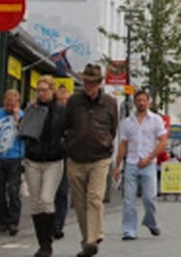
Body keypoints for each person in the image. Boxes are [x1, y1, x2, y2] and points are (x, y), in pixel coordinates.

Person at [64, 63, 119, 257]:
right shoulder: (73, 102)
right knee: (79, 203)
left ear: (100, 83)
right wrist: (70, 143)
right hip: (76, 157)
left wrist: (104, 142)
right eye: (87, 82)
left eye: (93, 82)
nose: (89, 86)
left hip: (100, 157)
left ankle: (91, 239)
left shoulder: (110, 102)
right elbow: (66, 124)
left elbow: (113, 129)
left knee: (94, 198)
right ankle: (88, 239)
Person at [113, 90, 167, 241]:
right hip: (131, 162)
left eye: (144, 100)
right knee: (129, 199)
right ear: (135, 102)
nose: (141, 103)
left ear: (148, 102)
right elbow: (123, 144)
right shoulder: (127, 122)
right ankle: (129, 230)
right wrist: (117, 166)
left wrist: (150, 158)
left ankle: (151, 222)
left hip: (148, 163)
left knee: (149, 198)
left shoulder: (156, 120)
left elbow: (163, 141)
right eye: (139, 100)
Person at [23, 76, 66, 257]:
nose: (41, 93)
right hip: (33, 159)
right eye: (38, 90)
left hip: (53, 160)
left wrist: (64, 147)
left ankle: (48, 242)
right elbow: (24, 131)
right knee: (35, 203)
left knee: (47, 199)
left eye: (44, 90)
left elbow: (67, 131)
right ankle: (42, 243)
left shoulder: (61, 111)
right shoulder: (32, 109)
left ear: (52, 90)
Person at [0, 89, 24, 236]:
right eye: (7, 104)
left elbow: (24, 133)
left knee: (13, 190)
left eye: (12, 104)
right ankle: (3, 221)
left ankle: (13, 222)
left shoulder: (21, 115)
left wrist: (16, 116)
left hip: (15, 157)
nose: (9, 107)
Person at [53, 86, 71, 240]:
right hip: (51, 156)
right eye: (61, 100)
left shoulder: (73, 117)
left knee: (62, 192)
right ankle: (50, 224)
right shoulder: (51, 114)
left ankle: (58, 225)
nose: (63, 103)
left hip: (66, 157)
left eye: (66, 101)